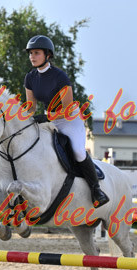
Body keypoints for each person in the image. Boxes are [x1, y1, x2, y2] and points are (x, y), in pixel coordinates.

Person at [24, 35, 109, 208]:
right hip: (50, 119)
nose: (32, 56)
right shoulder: (30, 78)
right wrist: (19, 117)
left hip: (69, 119)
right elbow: (31, 108)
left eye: (37, 53)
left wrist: (47, 117)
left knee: (78, 151)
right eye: (31, 53)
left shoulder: (59, 77)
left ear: (48, 55)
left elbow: (68, 109)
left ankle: (96, 190)